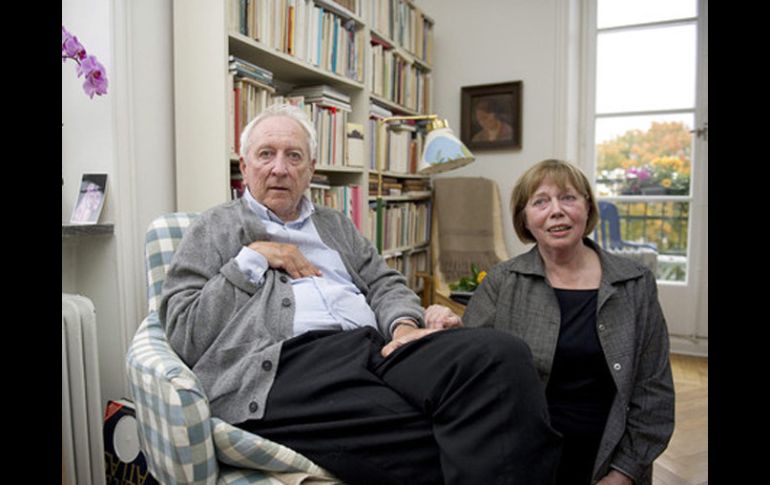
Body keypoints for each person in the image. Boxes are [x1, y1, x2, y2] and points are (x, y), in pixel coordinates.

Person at [159, 103, 562, 485]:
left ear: (311, 169)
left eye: (294, 157)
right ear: (244, 165)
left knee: (502, 355)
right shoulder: (214, 228)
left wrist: (404, 327)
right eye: (266, 155)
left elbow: (384, 282)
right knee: (458, 431)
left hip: (375, 351)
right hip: (287, 366)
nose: (280, 168)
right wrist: (253, 258)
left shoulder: (335, 224)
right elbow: (184, 332)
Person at [463, 159, 675, 485]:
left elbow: (654, 394)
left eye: (569, 198)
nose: (556, 211)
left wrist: (623, 474)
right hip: (519, 457)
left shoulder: (635, 284)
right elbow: (468, 371)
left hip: (608, 459)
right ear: (525, 219)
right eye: (540, 201)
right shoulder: (502, 280)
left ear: (587, 208)